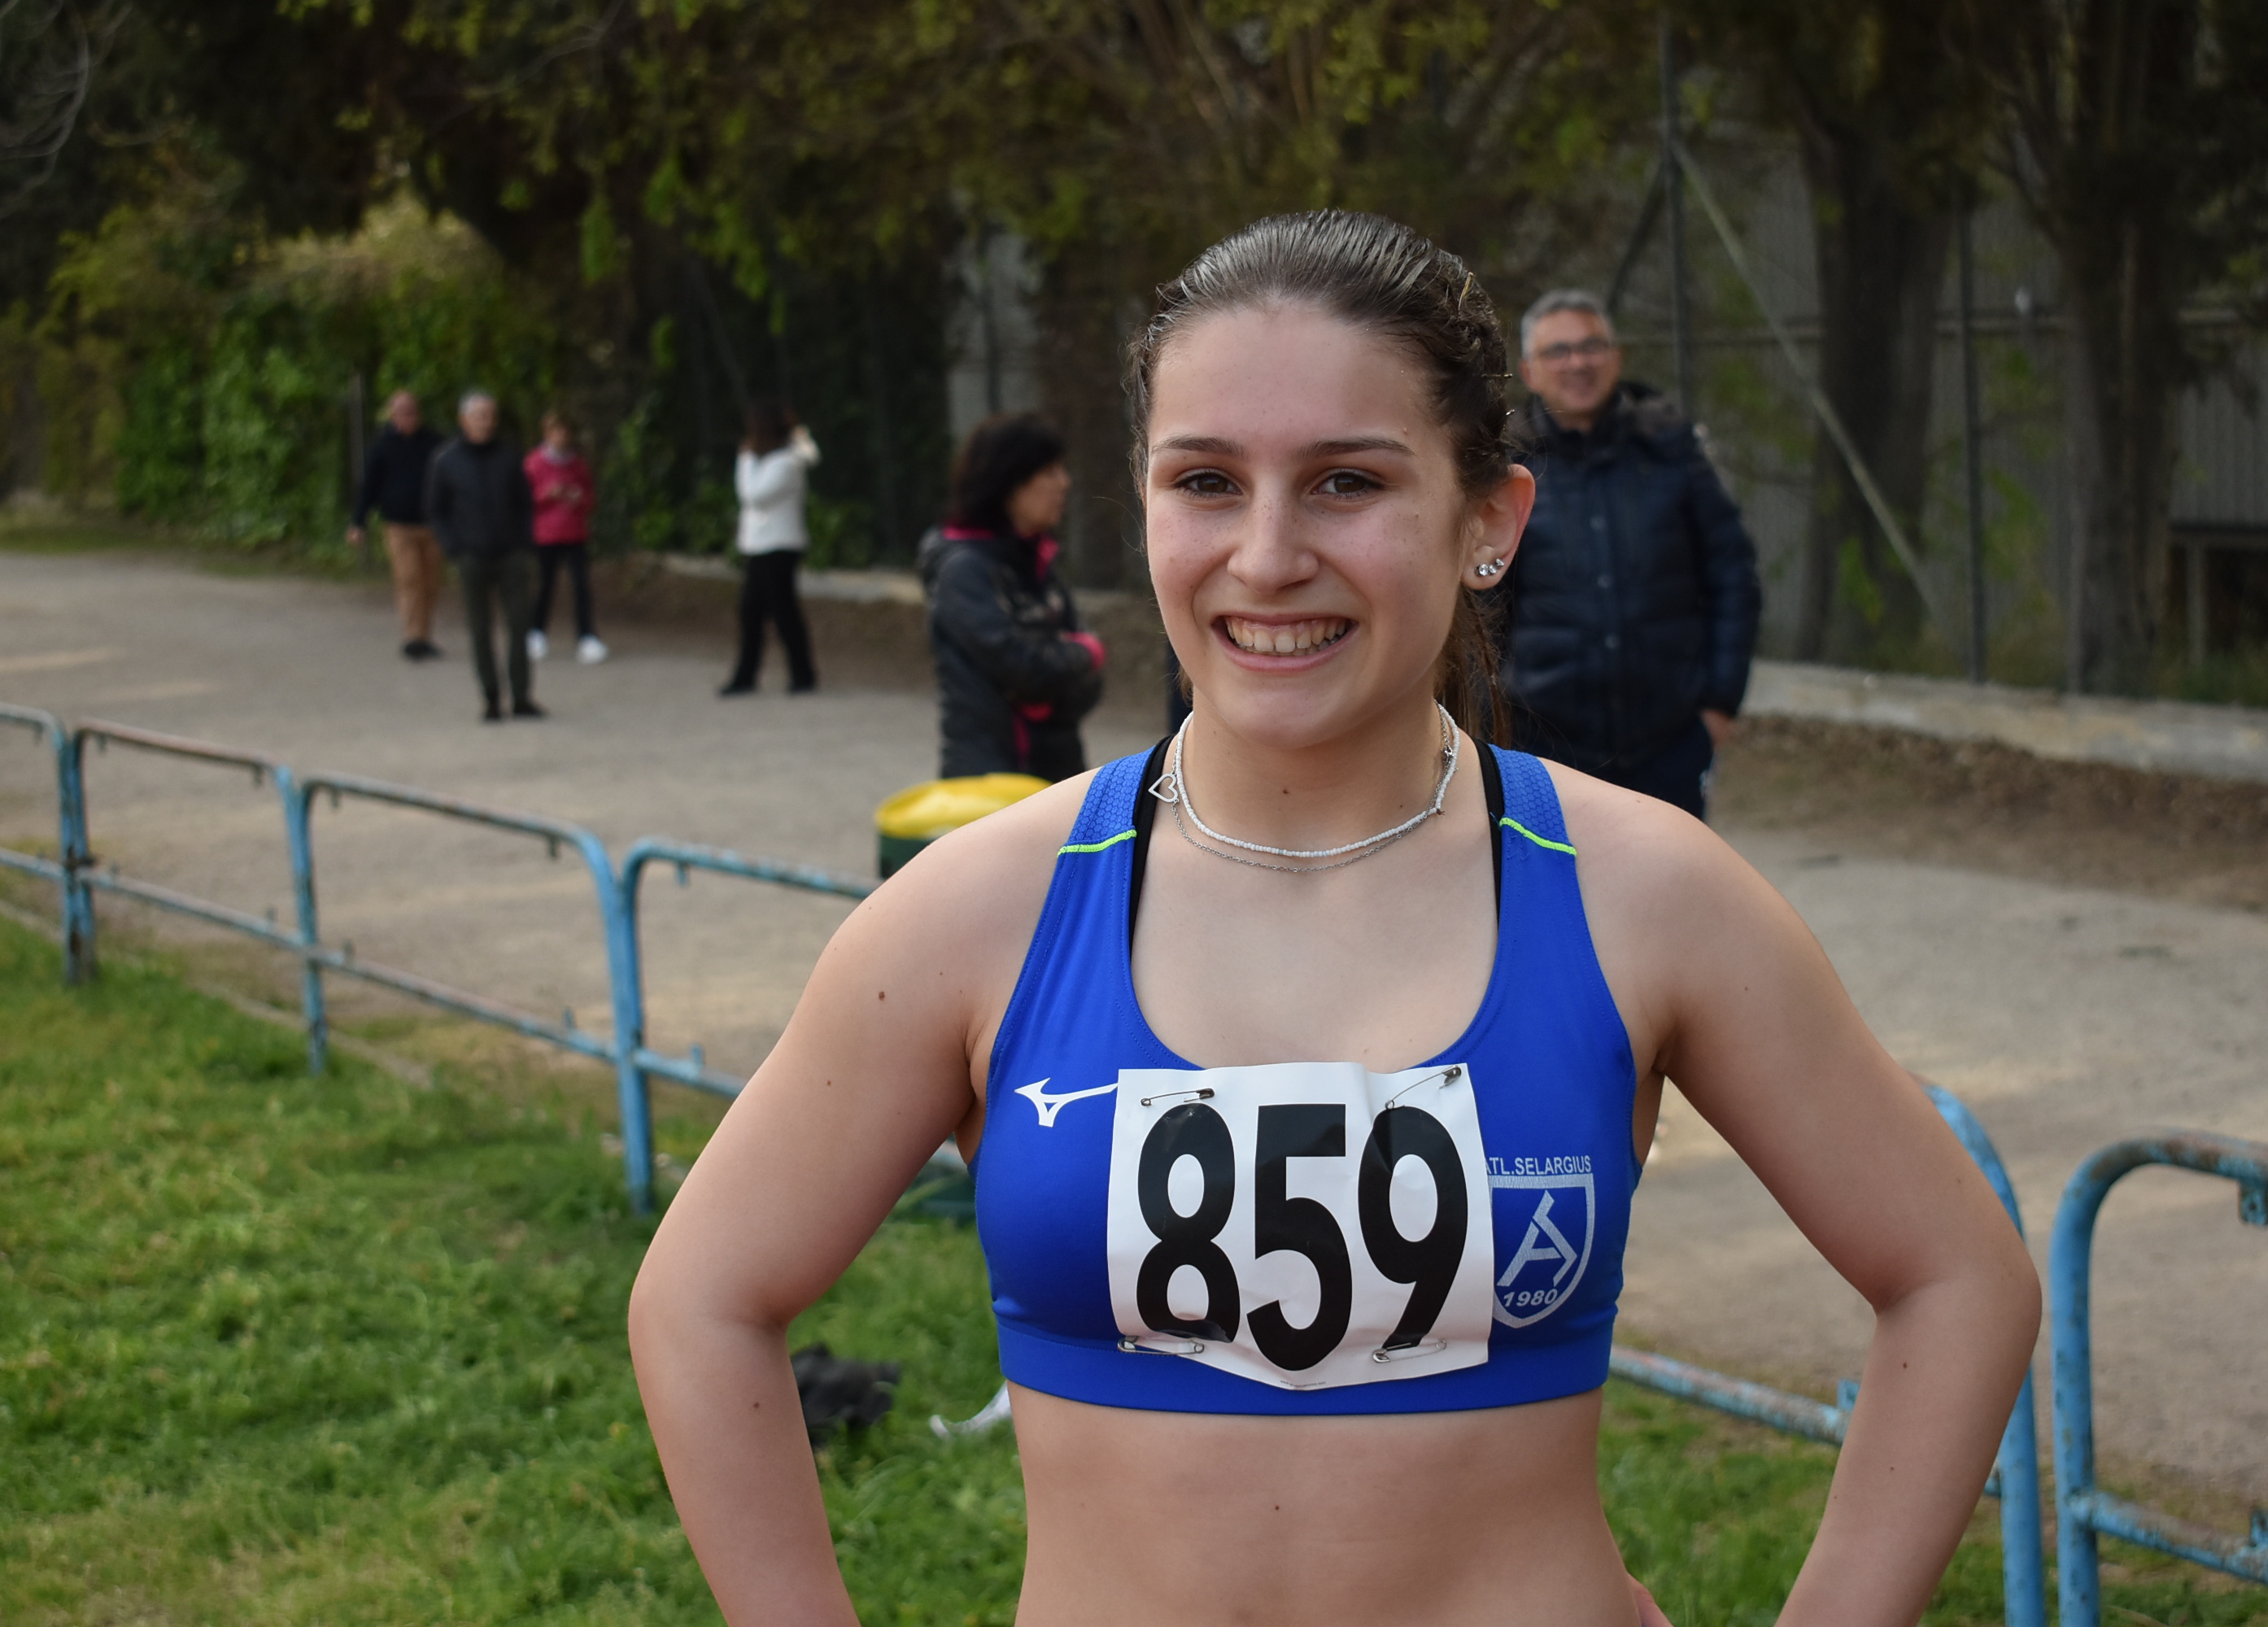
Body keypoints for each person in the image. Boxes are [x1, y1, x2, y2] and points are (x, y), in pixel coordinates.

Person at [628, 212, 2039, 1626]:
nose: (1265, 556)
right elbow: (700, 1301)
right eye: (1205, 481)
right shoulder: (974, 913)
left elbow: (1957, 1275)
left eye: (1345, 482)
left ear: (1488, 523)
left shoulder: (1648, 894)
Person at [1501, 289, 1761, 819]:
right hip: (1543, 751)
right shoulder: (1506, 468)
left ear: (1616, 358)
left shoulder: (1673, 452)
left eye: (1591, 346)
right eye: (1558, 351)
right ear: (1529, 371)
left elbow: (1733, 575)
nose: (1578, 363)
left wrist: (1718, 704)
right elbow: (1476, 604)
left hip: (1668, 747)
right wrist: (1491, 721)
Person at [914, 413, 1105, 780]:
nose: (1064, 483)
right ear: (1009, 482)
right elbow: (1024, 668)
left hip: (1058, 766)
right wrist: (1081, 655)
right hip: (992, 776)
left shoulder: (1038, 558)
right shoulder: (965, 570)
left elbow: (1088, 681)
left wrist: (1067, 672)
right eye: (1049, 472)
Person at [425, 390, 543, 722]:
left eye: (490, 416)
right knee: (480, 629)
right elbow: (436, 510)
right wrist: (453, 547)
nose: (486, 422)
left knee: (519, 624)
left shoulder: (509, 456)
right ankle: (491, 696)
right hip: (471, 555)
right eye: (479, 416)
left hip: (511, 553)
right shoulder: (446, 461)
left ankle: (521, 695)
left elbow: (525, 502)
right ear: (464, 420)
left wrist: (525, 541)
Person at [722, 399, 822, 696]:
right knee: (751, 611)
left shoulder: (786, 462)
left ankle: (801, 674)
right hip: (759, 545)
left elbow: (753, 495)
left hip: (779, 545)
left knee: (783, 612)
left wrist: (744, 459)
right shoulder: (769, 459)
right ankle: (748, 675)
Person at [347, 390, 447, 661]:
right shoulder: (382, 446)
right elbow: (369, 486)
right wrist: (358, 522)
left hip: (431, 526)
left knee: (430, 584)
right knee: (410, 579)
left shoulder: (435, 443)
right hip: (399, 527)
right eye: (401, 413)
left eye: (411, 412)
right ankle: (413, 637)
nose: (407, 418)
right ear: (393, 415)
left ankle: (425, 636)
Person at [524, 409, 605, 664]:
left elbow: (591, 498)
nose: (561, 436)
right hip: (546, 535)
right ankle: (536, 632)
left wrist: (579, 498)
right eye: (555, 431)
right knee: (545, 586)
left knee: (581, 586)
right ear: (546, 434)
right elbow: (524, 500)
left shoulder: (578, 464)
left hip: (575, 533)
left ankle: (586, 636)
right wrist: (547, 495)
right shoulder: (534, 463)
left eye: (564, 431)